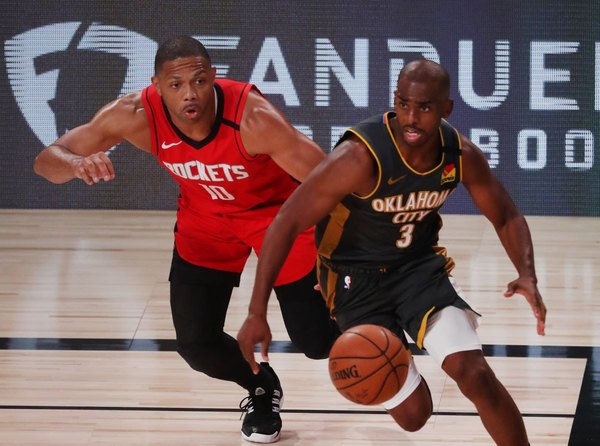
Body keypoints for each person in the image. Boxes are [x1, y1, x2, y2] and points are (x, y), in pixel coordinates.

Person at [33, 35, 339, 444]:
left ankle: (381, 319)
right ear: (157, 86)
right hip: (206, 222)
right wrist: (76, 162)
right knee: (196, 344)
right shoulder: (134, 114)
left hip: (279, 218)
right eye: (175, 85)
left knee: (317, 342)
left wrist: (349, 256)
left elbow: (332, 181)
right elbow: (45, 162)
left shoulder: (253, 118)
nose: (189, 94)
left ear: (213, 77)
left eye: (198, 81)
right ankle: (261, 388)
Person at [237, 59, 547, 445]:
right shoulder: (359, 157)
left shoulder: (458, 154)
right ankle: (369, 345)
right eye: (403, 104)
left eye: (425, 107)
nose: (411, 118)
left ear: (446, 109)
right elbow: (285, 221)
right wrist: (255, 310)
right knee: (415, 416)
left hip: (418, 270)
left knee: (476, 375)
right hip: (354, 280)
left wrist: (527, 273)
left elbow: (507, 216)